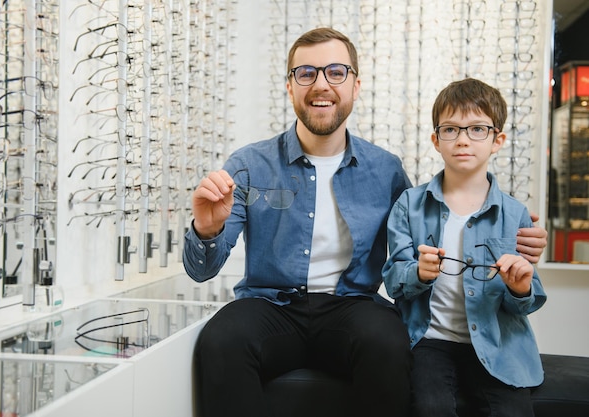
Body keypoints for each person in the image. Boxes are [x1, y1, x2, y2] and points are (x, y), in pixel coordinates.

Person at [183, 29, 547, 417]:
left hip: (352, 307)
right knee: (221, 339)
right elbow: (202, 270)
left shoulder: (386, 169)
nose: (321, 84)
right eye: (306, 73)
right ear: (290, 86)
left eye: (335, 72)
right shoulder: (248, 164)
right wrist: (207, 229)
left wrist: (506, 230)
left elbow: (429, 224)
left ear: (356, 86)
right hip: (271, 305)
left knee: (387, 342)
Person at [382, 78, 547, 417]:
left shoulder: (515, 213)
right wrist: (419, 274)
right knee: (431, 407)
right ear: (435, 140)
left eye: (477, 129)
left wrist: (520, 288)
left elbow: (527, 302)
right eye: (450, 130)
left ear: (497, 140)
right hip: (428, 342)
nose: (462, 140)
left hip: (496, 343)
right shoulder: (409, 205)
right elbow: (393, 280)